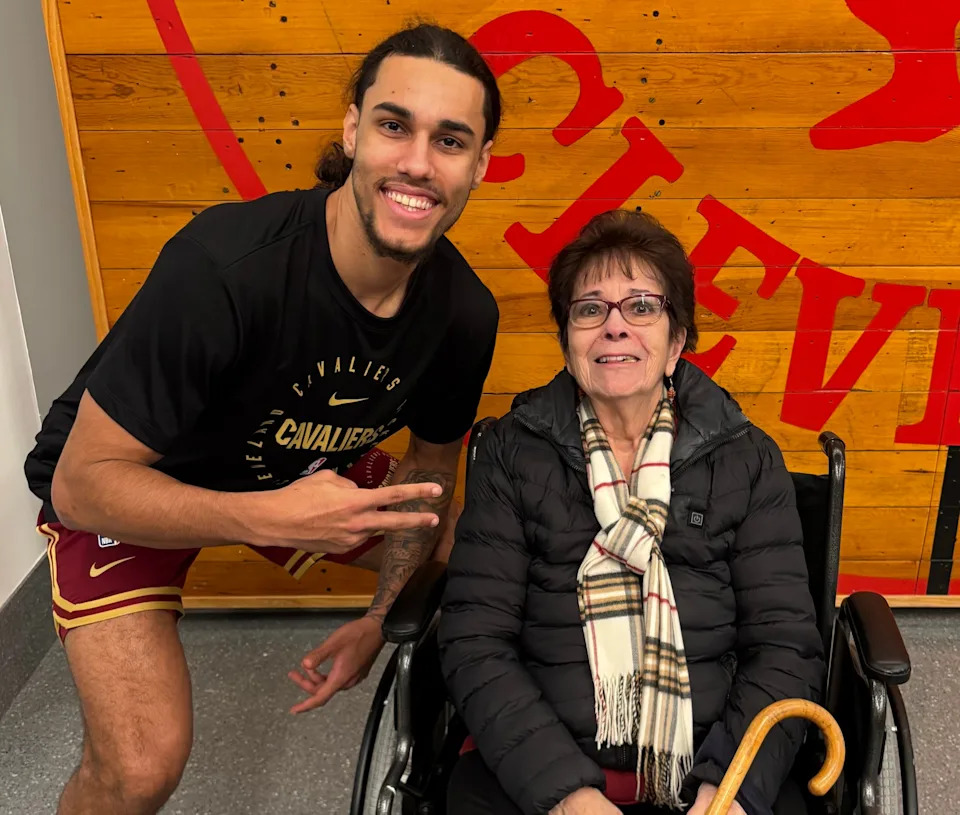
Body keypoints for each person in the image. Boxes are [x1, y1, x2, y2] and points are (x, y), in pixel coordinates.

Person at [23, 23, 501, 815]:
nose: (418, 161)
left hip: (283, 467)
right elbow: (80, 485)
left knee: (472, 540)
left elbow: (430, 475)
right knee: (140, 765)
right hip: (130, 478)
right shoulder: (224, 268)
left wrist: (382, 617)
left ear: (480, 164)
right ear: (351, 130)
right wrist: (269, 514)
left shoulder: (462, 313)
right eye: (394, 125)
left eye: (450, 139)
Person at [437, 209, 825, 815]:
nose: (614, 327)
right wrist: (566, 795)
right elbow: (475, 640)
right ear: (568, 345)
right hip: (538, 765)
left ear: (676, 342)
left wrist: (729, 793)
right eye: (590, 309)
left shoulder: (745, 458)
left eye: (641, 306)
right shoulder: (512, 454)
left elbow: (784, 647)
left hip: (713, 769)